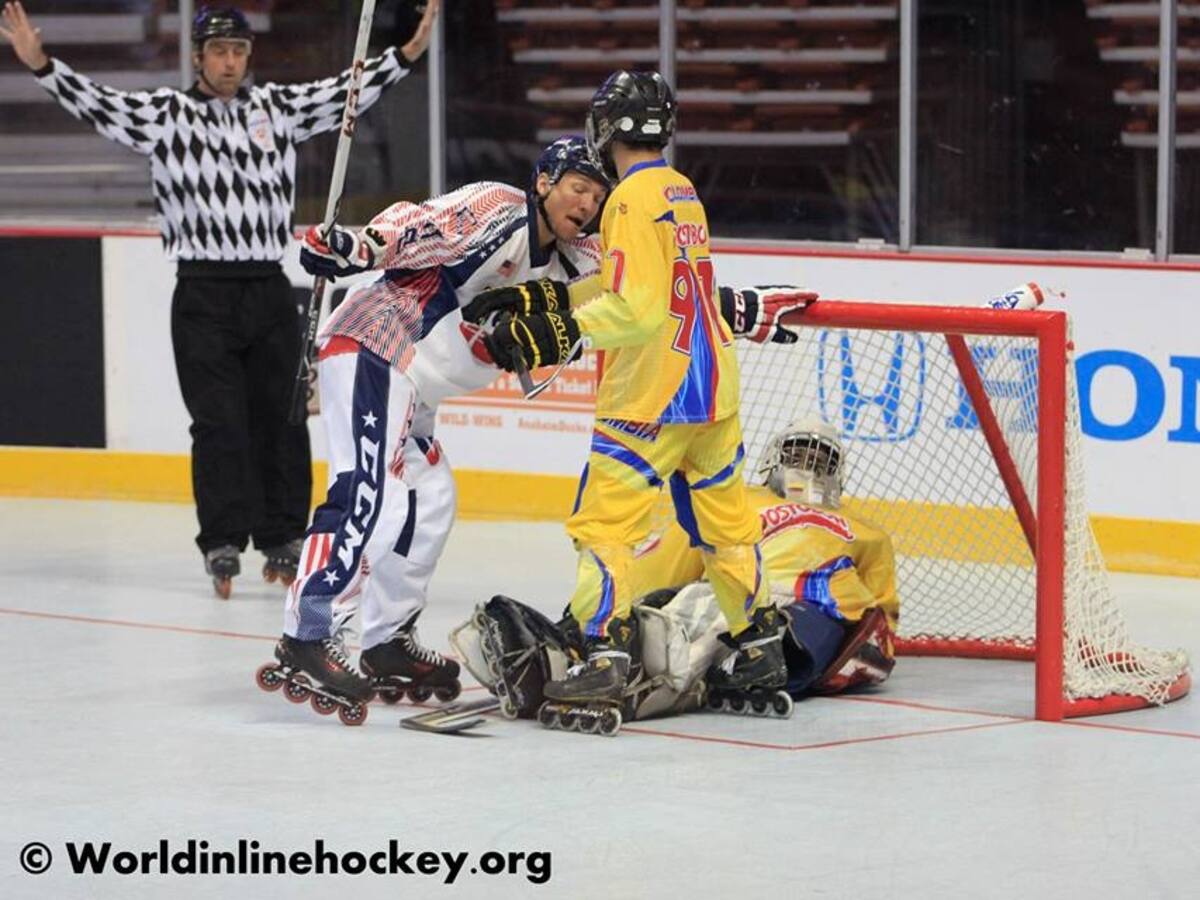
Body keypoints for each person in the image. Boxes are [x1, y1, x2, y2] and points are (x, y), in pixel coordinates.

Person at [0, 1, 440, 598]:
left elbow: (346, 93)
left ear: (248, 57)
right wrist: (43, 65)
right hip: (202, 291)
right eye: (219, 52)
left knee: (283, 418)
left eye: (238, 51)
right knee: (217, 422)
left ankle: (284, 533)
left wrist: (408, 55)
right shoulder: (166, 114)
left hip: (266, 287)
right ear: (199, 56)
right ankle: (223, 538)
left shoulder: (276, 109)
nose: (230, 62)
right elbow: (102, 105)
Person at [467, 71, 818, 736]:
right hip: (713, 395)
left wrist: (558, 334)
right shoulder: (682, 192)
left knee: (605, 527)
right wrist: (542, 298)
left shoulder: (626, 198)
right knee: (724, 527)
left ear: (606, 129)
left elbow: (636, 310)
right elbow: (637, 280)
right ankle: (759, 645)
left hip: (648, 399)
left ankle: (604, 651)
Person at [258, 137, 612, 722]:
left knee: (430, 499)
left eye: (597, 197)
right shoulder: (498, 208)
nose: (587, 205)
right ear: (545, 181)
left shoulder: (580, 259)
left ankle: (386, 641)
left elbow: (635, 289)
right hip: (375, 342)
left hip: (416, 383)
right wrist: (356, 246)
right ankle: (309, 633)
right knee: (370, 494)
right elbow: (418, 225)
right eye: (578, 188)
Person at [451, 418, 898, 726]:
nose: (808, 467)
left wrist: (854, 659)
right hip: (742, 602)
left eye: (818, 459)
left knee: (691, 637)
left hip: (805, 619)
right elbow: (673, 562)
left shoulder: (867, 532)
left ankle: (606, 682)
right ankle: (553, 655)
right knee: (677, 616)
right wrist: (606, 615)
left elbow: (881, 622)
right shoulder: (737, 500)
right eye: (802, 454)